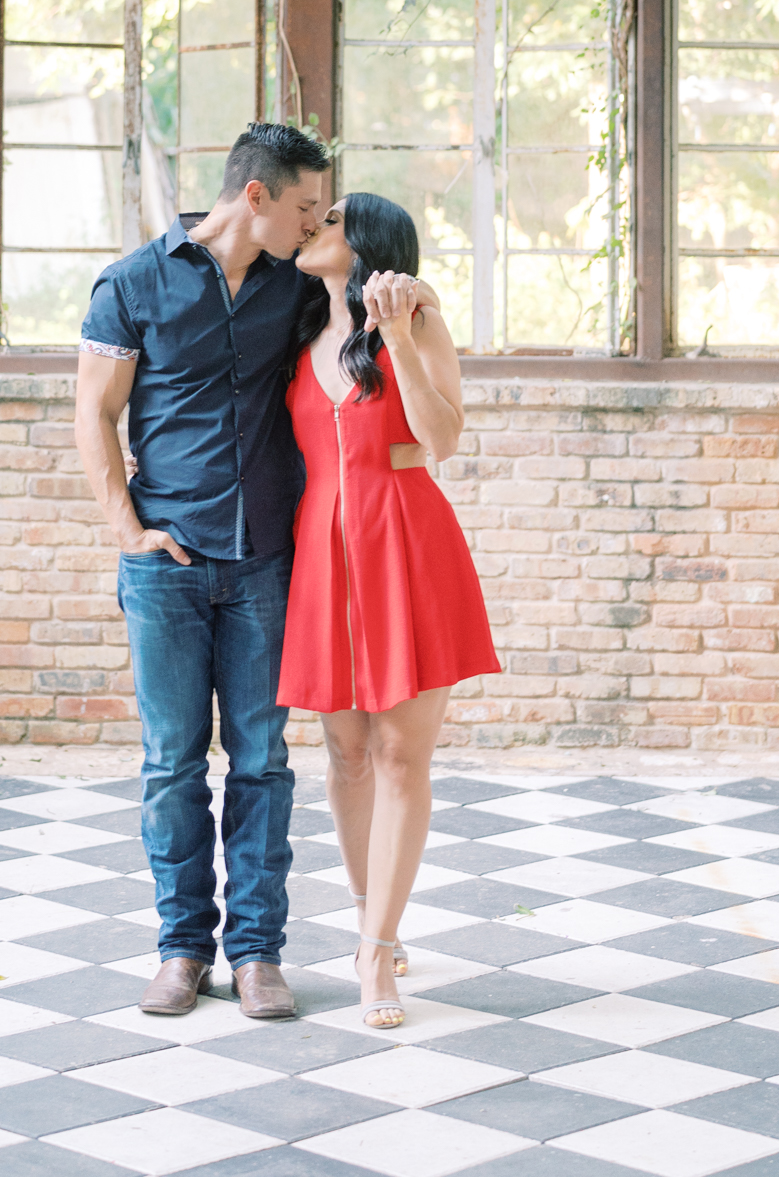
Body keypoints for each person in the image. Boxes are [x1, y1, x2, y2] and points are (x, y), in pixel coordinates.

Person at [74, 125, 434, 1024]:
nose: (319, 220)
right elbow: (95, 410)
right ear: (260, 197)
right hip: (169, 562)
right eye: (309, 204)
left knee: (266, 762)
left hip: (269, 560)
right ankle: (181, 948)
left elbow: (378, 328)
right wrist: (128, 531)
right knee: (170, 764)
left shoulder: (296, 289)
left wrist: (416, 293)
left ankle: (258, 953)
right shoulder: (133, 283)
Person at [279, 194, 500, 1030]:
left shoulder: (413, 323)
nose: (311, 226)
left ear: (364, 242)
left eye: (328, 218)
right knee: (345, 751)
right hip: (321, 557)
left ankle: (376, 949)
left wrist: (404, 335)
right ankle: (373, 905)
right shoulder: (296, 330)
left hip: (406, 545)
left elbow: (441, 437)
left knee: (402, 754)